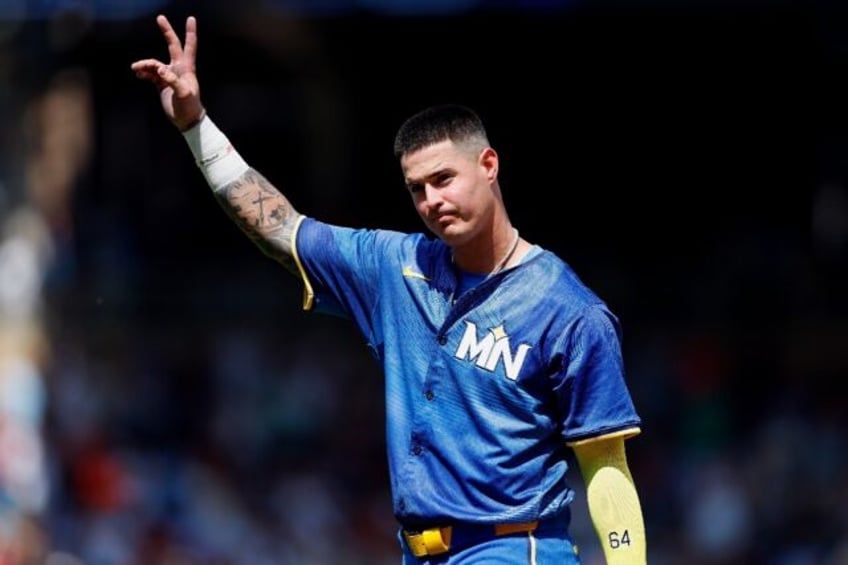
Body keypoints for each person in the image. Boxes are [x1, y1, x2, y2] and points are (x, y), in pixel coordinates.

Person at [131, 14, 648, 564]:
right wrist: (196, 127)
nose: (431, 201)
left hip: (511, 548)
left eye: (444, 179)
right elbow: (280, 227)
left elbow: (605, 464)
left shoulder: (567, 308)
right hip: (416, 552)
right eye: (417, 189)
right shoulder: (395, 267)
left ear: (489, 164)